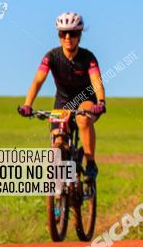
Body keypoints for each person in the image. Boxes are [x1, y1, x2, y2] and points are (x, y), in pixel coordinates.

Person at [17, 13, 106, 178]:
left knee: (83, 119)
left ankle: (90, 162)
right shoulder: (51, 56)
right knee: (57, 142)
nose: (67, 37)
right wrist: (27, 104)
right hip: (62, 103)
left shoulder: (88, 57)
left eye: (72, 33)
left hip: (85, 100)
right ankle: (60, 190)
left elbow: (96, 81)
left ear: (79, 36)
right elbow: (38, 80)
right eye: (62, 33)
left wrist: (100, 101)